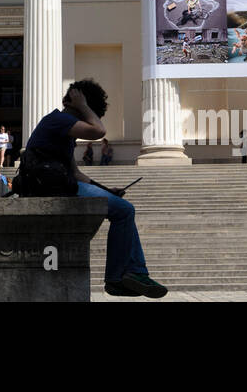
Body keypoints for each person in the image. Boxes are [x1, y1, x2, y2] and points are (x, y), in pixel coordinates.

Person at [19, 79, 166, 298]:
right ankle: (122, 276)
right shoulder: (58, 120)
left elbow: (76, 174)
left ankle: (127, 274)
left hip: (58, 183)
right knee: (124, 211)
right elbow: (99, 130)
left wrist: (107, 191)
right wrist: (84, 105)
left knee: (122, 208)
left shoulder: (60, 129)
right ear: (79, 103)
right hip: (51, 187)